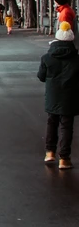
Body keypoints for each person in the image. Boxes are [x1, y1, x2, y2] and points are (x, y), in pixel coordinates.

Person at [38, 21, 79, 170]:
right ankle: (64, 159)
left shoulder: (46, 58)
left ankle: (50, 152)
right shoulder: (77, 59)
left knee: (52, 123)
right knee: (67, 126)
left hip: (52, 96)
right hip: (70, 97)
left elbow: (41, 76)